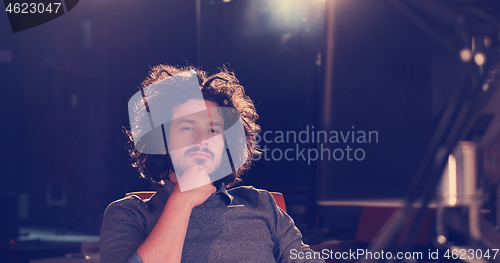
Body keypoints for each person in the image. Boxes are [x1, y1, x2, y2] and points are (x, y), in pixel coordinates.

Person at [100, 65, 324, 263]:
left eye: (213, 130)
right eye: (187, 127)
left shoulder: (262, 204)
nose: (202, 140)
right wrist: (182, 200)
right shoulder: (130, 213)